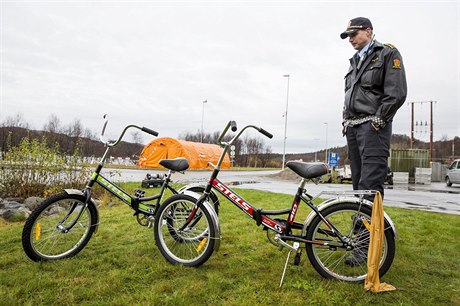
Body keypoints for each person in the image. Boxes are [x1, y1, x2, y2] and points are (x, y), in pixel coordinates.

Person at [340, 17, 407, 266]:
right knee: (358, 187)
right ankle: (361, 238)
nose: (350, 39)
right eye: (347, 36)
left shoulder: (387, 53)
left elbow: (396, 92)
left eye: (354, 34)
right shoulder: (354, 62)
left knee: (370, 188)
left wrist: (379, 120)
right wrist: (345, 120)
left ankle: (366, 247)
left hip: (373, 128)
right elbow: (350, 96)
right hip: (354, 129)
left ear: (368, 31)